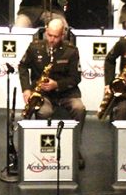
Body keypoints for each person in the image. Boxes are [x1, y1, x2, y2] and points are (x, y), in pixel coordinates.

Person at [19, 18, 86, 168]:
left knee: (79, 108)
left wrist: (57, 85)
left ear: (62, 35)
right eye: (49, 35)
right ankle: (45, 148)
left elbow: (76, 78)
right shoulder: (34, 47)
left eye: (56, 36)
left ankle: (75, 148)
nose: (51, 40)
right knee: (43, 112)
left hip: (66, 92)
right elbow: (22, 66)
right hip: (43, 94)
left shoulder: (71, 51)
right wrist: (26, 89)